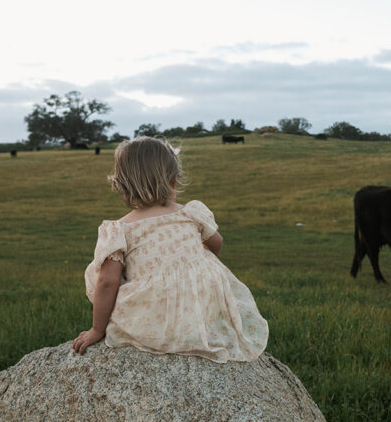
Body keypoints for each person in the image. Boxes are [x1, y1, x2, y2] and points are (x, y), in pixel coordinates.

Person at [72, 137, 268, 362]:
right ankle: (199, 313)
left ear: (122, 186)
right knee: (204, 256)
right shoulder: (191, 212)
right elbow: (217, 244)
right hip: (199, 304)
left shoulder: (119, 230)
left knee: (97, 273)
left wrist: (97, 329)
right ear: (174, 181)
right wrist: (192, 263)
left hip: (151, 312)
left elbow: (108, 282)